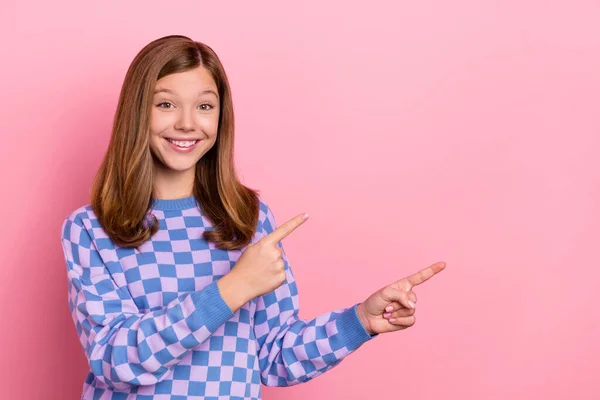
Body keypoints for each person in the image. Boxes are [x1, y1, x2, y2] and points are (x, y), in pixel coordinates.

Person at [60, 34, 446, 400]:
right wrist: (233, 288)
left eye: (205, 106)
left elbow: (275, 356)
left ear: (221, 116)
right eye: (166, 104)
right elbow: (115, 361)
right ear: (136, 112)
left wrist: (360, 320)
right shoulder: (90, 229)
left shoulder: (247, 218)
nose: (187, 123)